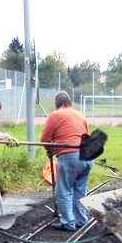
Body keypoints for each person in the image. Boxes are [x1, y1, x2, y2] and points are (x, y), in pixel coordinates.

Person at [41, 92, 92, 232]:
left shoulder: (55, 115)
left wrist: (50, 151)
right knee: (80, 190)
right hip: (87, 156)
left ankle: (68, 222)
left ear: (58, 104)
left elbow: (45, 139)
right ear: (70, 103)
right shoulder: (81, 115)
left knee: (64, 190)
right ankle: (81, 220)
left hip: (69, 156)